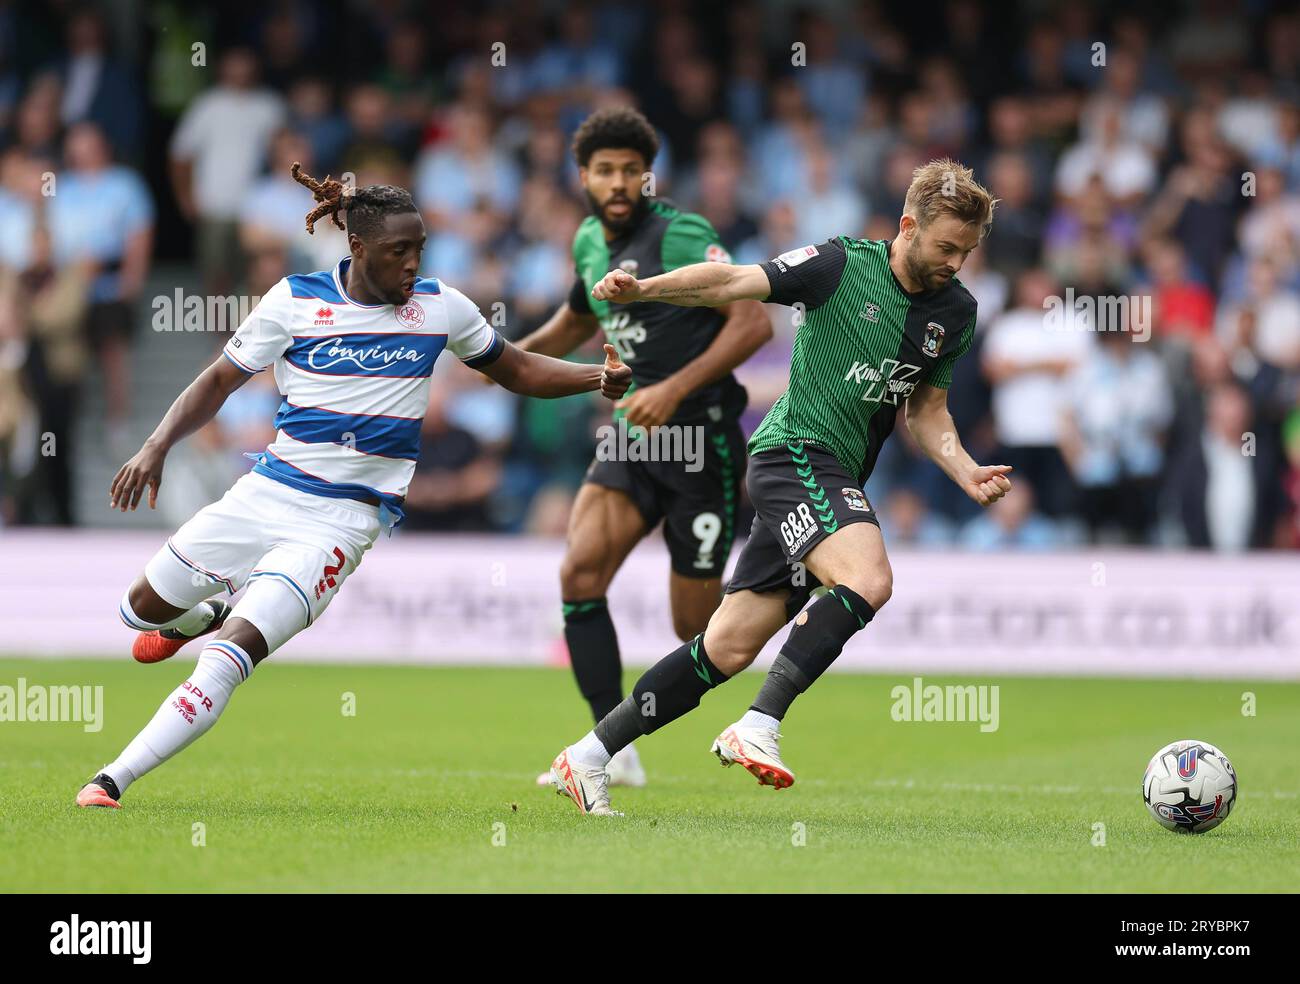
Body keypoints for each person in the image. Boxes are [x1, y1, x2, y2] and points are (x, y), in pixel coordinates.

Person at [75, 165, 631, 809]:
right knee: (139, 612)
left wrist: (596, 377)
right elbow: (218, 382)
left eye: (420, 248)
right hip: (265, 493)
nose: (413, 264)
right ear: (358, 248)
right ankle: (202, 614)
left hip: (340, 523)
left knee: (228, 659)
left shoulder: (440, 307)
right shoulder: (293, 299)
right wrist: (155, 445)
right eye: (400, 251)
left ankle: (112, 777)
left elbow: (518, 368)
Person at [549, 159, 1011, 815]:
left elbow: (927, 410)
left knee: (727, 645)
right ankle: (759, 724)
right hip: (791, 453)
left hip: (831, 476)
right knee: (869, 579)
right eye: (946, 247)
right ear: (909, 226)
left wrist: (963, 467)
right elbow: (734, 280)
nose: (957, 263)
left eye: (967, 251)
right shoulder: (839, 265)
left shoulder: (955, 313)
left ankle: (588, 756)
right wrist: (644, 287)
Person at [513, 107, 770, 788]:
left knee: (700, 630)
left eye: (632, 169)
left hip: (701, 444)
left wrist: (672, 389)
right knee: (580, 575)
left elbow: (752, 325)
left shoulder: (681, 232)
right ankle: (611, 748)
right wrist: (489, 357)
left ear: (649, 175)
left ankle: (781, 611)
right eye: (606, 170)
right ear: (584, 177)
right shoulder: (588, 242)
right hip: (632, 436)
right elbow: (572, 323)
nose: (620, 181)